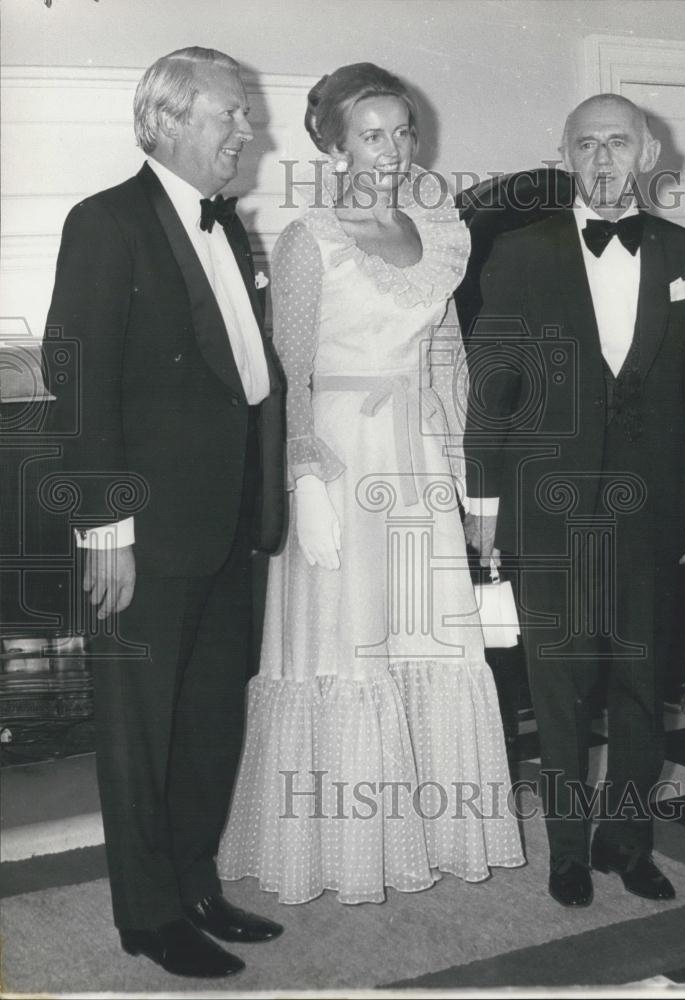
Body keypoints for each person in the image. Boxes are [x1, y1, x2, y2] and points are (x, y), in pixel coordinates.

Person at [218, 63, 524, 904]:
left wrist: (470, 479)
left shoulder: (438, 229)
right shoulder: (308, 239)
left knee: (423, 640)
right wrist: (304, 483)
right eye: (371, 135)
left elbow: (448, 360)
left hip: (417, 459)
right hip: (341, 463)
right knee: (347, 643)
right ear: (333, 143)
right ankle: (335, 849)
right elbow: (292, 374)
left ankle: (421, 829)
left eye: (403, 132)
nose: (391, 151)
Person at [43, 47, 286, 978]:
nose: (246, 130)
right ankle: (147, 915)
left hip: (227, 524)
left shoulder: (229, 228)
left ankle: (193, 883)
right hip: (143, 532)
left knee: (209, 719)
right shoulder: (105, 223)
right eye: (231, 113)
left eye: (247, 114)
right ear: (171, 119)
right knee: (141, 730)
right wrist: (105, 529)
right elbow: (79, 380)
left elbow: (244, 380)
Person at [463, 94, 685, 908]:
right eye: (587, 145)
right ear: (566, 156)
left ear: (648, 153)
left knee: (642, 686)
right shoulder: (518, 251)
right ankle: (568, 853)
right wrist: (482, 503)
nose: (603, 158)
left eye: (618, 143)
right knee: (561, 690)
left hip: (653, 510)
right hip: (547, 507)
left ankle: (627, 841)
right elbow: (492, 388)